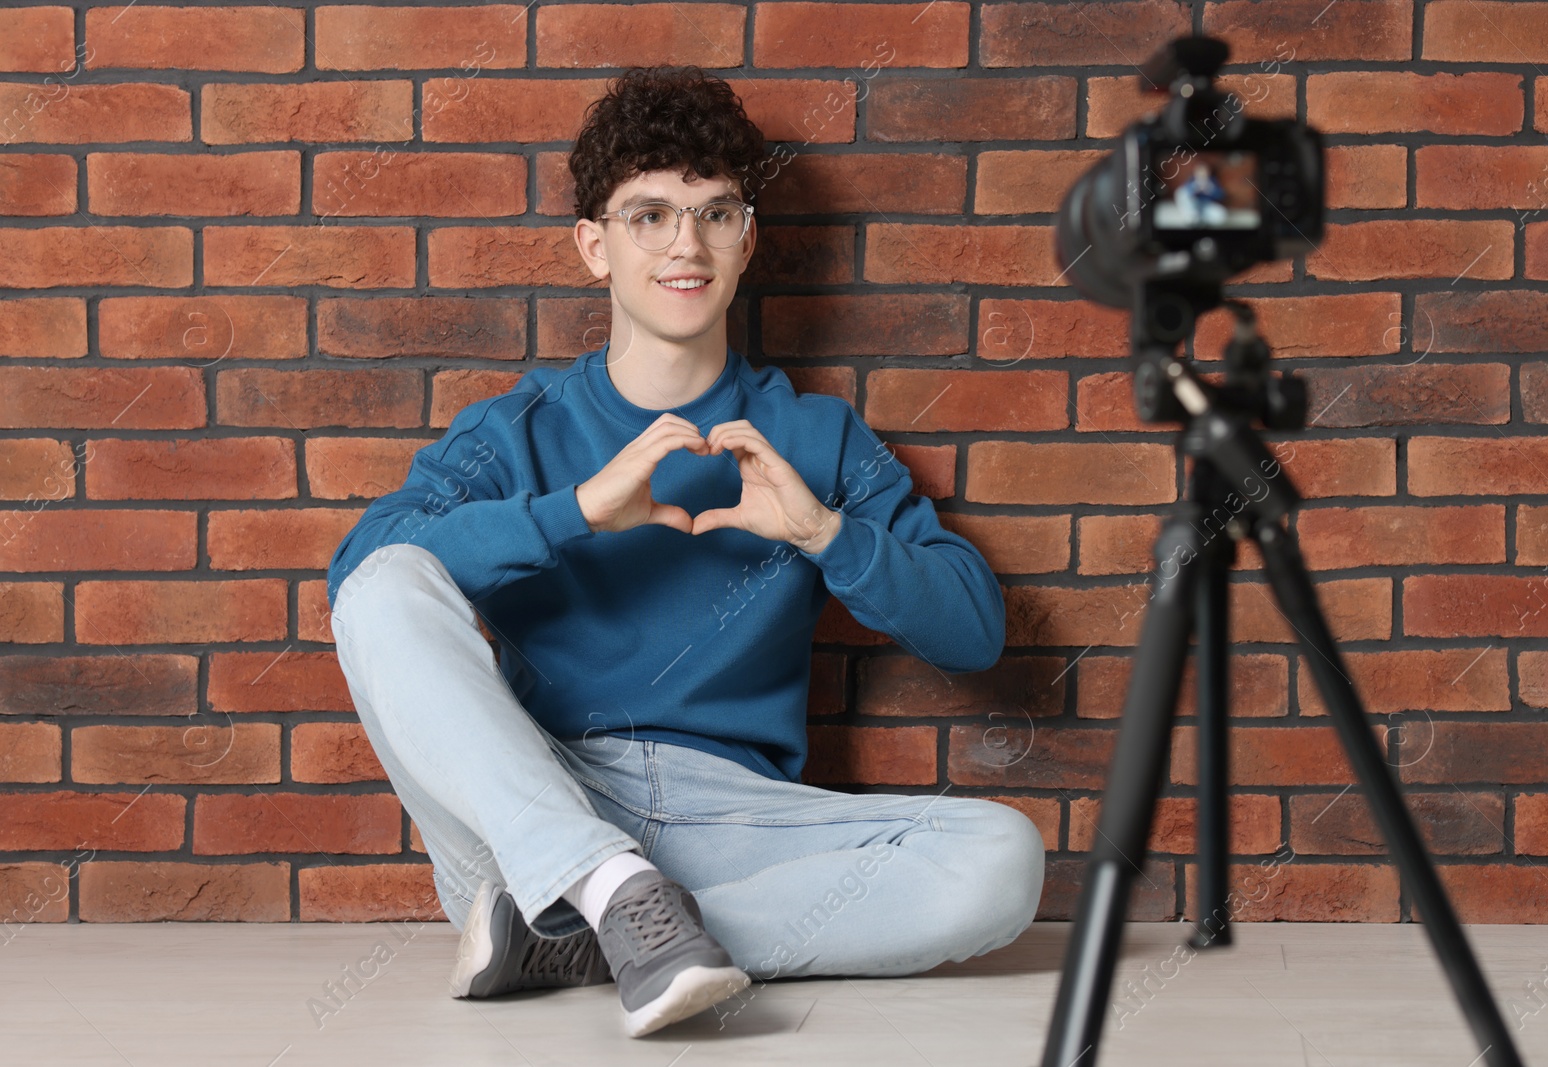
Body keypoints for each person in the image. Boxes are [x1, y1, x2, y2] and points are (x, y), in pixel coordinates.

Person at [326, 65, 1046, 1040]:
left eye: (714, 214)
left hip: (739, 816)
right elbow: (366, 580)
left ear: (746, 239)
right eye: (649, 216)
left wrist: (824, 534)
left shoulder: (817, 435)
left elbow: (975, 629)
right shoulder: (516, 430)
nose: (685, 245)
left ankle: (578, 921)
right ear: (595, 245)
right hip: (540, 786)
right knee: (386, 577)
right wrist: (571, 511)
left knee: (1001, 859)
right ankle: (595, 878)